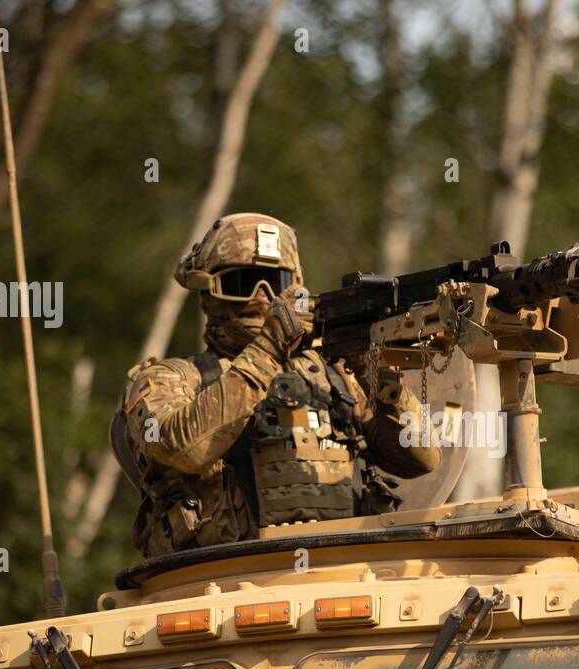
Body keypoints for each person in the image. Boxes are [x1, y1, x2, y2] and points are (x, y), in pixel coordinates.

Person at [111, 213, 439, 558]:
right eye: (242, 283)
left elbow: (420, 460)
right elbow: (186, 449)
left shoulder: (333, 375)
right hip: (215, 580)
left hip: (342, 571)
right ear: (209, 292)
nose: (261, 297)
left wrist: (378, 378)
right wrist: (268, 349)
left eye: (274, 282)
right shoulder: (171, 379)